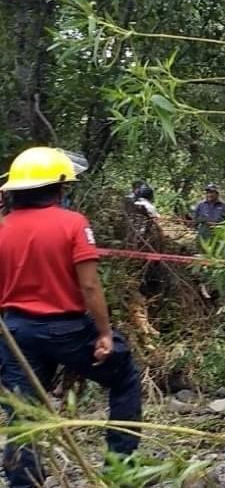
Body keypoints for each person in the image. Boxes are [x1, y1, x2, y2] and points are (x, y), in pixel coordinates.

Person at [0, 147, 142, 487]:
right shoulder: (73, 224)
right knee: (124, 376)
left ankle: (24, 482)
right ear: (61, 188)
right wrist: (105, 333)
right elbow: (90, 286)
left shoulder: (3, 228)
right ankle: (119, 468)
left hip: (17, 333)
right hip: (68, 330)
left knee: (23, 412)